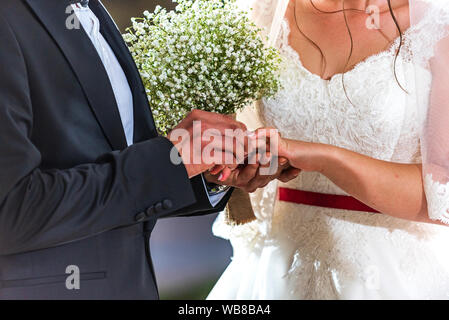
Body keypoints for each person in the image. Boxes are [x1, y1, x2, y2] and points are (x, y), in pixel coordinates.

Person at [0, 0, 290, 299]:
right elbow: (10, 209)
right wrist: (174, 161)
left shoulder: (90, 8)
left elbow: (108, 163)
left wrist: (206, 171)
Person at [209, 0, 449, 299]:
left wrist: (322, 157)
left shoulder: (438, 22)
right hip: (275, 264)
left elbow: (443, 195)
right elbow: (226, 135)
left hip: (393, 273)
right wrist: (230, 165)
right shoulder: (261, 13)